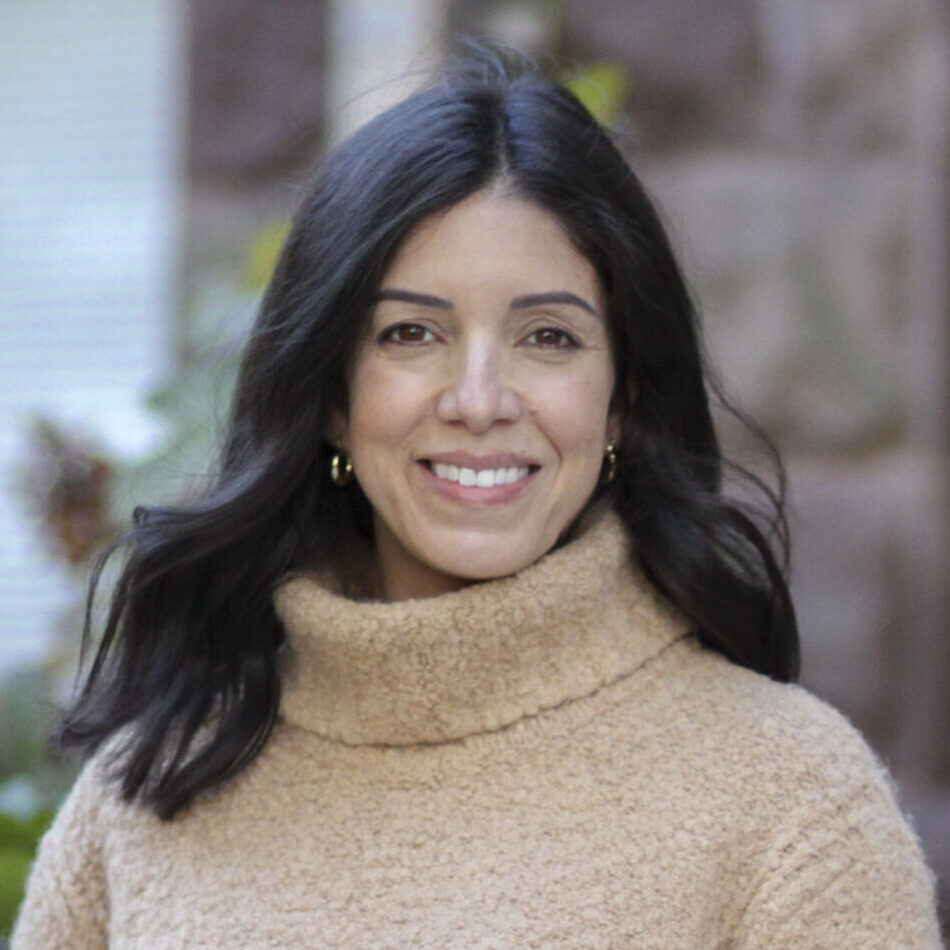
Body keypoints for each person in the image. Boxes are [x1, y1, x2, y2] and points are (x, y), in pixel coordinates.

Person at [12, 51, 942, 949]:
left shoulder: (791, 801)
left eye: (548, 337)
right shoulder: (149, 789)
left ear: (621, 395)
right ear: (333, 398)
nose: (479, 400)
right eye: (412, 333)